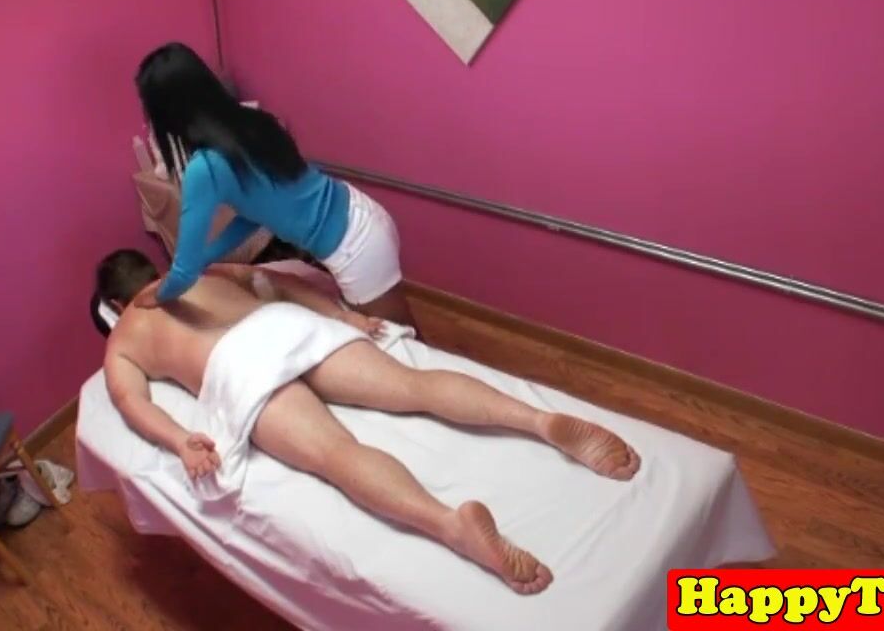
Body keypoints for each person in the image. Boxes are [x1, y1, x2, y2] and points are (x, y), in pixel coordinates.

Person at [95, 249, 641, 595]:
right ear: (152, 268)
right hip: (282, 325)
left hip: (238, 367)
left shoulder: (123, 337)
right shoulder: (203, 271)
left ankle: (451, 525)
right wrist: (343, 316)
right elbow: (276, 284)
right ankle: (539, 421)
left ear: (117, 303)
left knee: (338, 455)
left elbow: (130, 402)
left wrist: (181, 441)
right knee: (413, 387)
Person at [133, 42, 417, 330]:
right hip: (361, 214)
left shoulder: (204, 168)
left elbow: (184, 272)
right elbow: (257, 215)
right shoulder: (253, 122)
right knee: (404, 334)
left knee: (394, 341)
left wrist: (151, 297)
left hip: (354, 247)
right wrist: (208, 256)